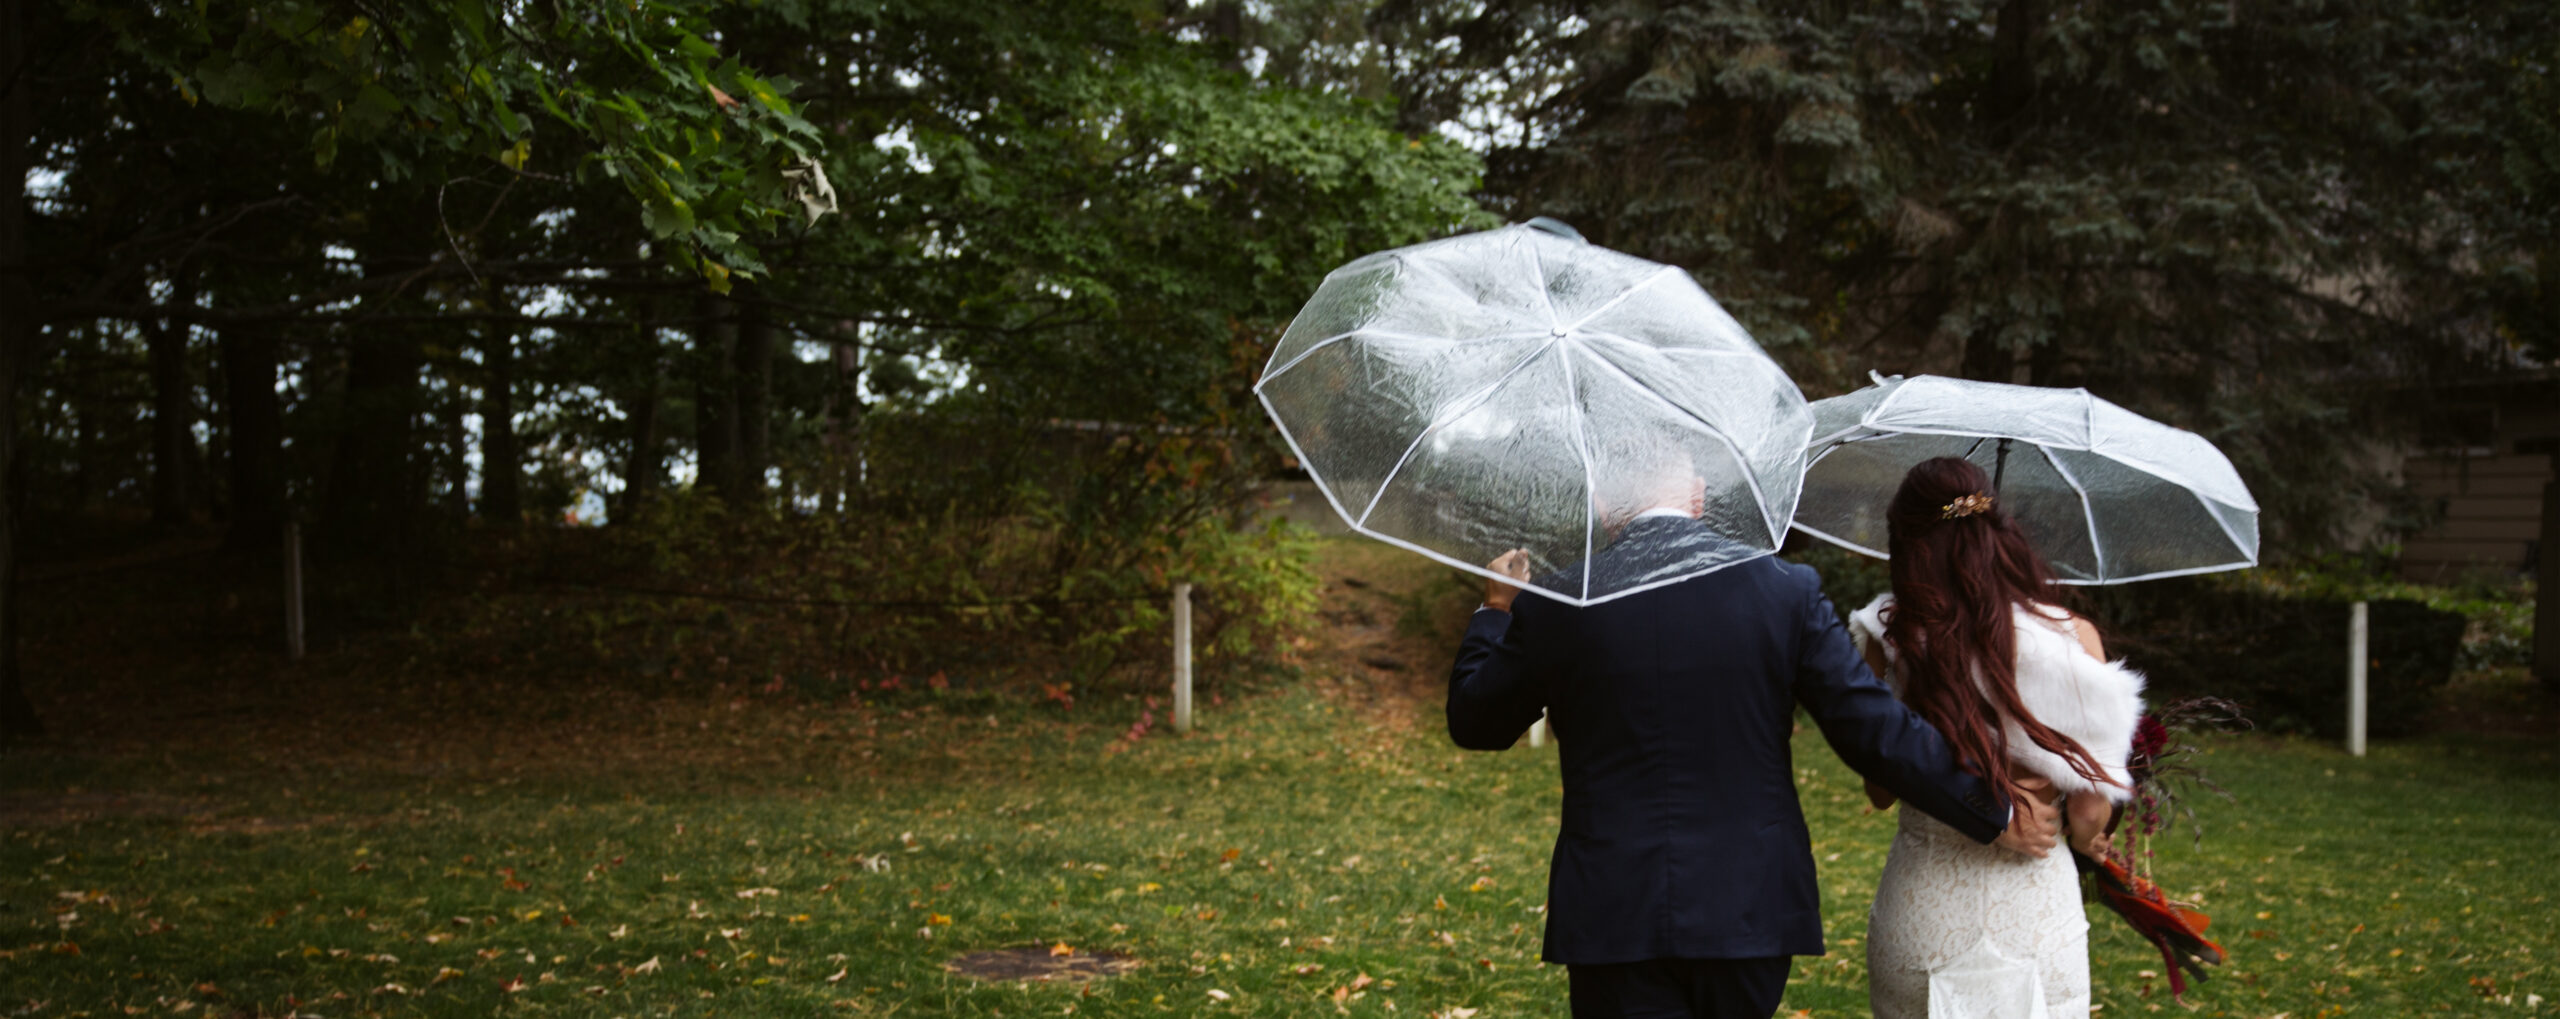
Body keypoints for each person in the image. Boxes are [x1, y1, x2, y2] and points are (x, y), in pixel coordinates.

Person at [1445, 457, 2064, 1019]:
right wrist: (1993, 806)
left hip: (1614, 911)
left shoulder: (1561, 600)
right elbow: (1871, 728)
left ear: (1607, 508)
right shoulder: (1782, 590)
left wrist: (1496, 608)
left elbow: (1477, 722)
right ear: (1695, 497)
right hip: (1748, 910)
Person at [1850, 457, 2144, 1018]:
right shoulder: (2072, 637)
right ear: (1998, 531)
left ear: (1907, 542)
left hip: (1923, 913)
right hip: (2035, 919)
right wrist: (2091, 840)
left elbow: (1880, 789)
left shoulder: (1888, 635)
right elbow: (2086, 816)